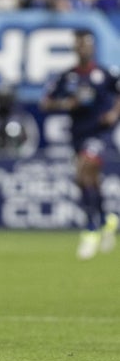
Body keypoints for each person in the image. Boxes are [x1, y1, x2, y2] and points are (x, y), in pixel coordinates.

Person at [40, 29, 120, 260]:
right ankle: (107, 219)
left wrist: (114, 114)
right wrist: (68, 103)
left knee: (83, 171)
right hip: (79, 135)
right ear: (75, 48)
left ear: (93, 47)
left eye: (87, 43)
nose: (83, 47)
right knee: (88, 179)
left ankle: (91, 229)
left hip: (100, 133)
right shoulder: (68, 76)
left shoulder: (105, 74)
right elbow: (46, 103)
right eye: (79, 44)